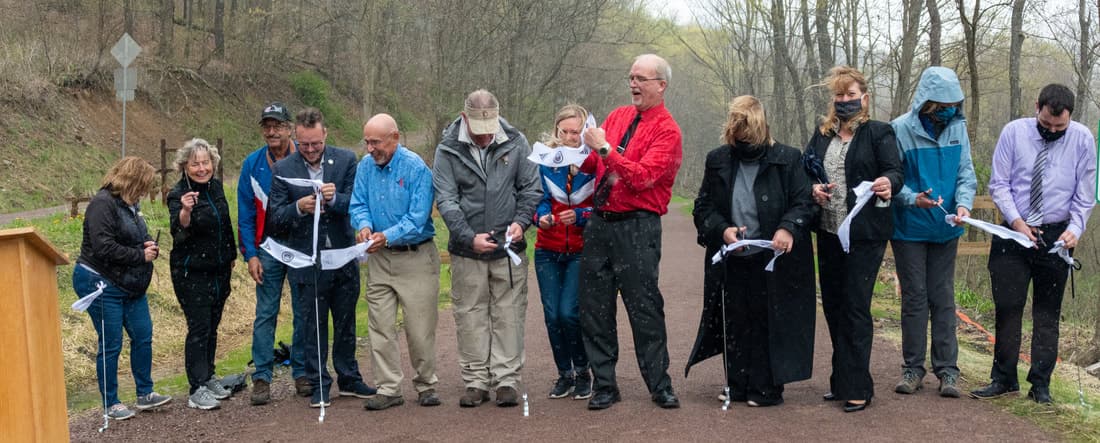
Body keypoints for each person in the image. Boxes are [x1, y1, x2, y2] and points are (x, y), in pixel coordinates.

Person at [686, 95, 816, 407]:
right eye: (738, 134)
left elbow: (804, 202)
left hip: (772, 258)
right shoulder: (718, 159)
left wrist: (787, 227)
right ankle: (737, 383)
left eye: (749, 134)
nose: (743, 140)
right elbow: (703, 207)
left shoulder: (788, 158)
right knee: (734, 319)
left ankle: (766, 386)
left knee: (768, 319)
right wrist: (723, 230)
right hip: (733, 256)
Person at [971, 84, 1097, 404]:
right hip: (1013, 233)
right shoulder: (1014, 133)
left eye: (1059, 127)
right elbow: (999, 184)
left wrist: (1076, 229)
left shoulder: (1083, 140)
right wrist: (1017, 222)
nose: (1052, 131)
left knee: (1047, 314)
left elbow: (1085, 195)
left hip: (1056, 237)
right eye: (1046, 124)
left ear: (1069, 118)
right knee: (1008, 307)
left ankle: (1041, 384)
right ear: (1036, 107)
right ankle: (1003, 378)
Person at [579, 53, 683, 410]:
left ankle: (659, 384)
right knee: (595, 307)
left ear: (661, 85)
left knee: (644, 307)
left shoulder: (668, 130)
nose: (633, 84)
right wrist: (574, 156)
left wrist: (604, 148)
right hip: (600, 224)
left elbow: (642, 177)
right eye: (631, 78)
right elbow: (595, 163)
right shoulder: (618, 116)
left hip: (637, 226)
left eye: (641, 79)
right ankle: (604, 385)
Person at [432, 89, 541, 408]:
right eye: (478, 131)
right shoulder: (447, 149)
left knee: (510, 314)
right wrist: (468, 237)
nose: (484, 137)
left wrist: (521, 221)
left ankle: (507, 379)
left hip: (509, 247)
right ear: (464, 118)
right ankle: (476, 380)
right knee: (470, 314)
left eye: (489, 130)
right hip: (467, 250)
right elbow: (446, 199)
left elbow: (530, 188)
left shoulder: (516, 141)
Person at [804, 65, 902, 412]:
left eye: (851, 94)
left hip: (865, 235)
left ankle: (858, 385)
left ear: (864, 98)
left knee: (855, 306)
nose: (845, 100)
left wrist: (888, 183)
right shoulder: (822, 135)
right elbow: (805, 172)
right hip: (828, 232)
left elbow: (895, 171)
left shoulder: (879, 132)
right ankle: (841, 379)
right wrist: (813, 189)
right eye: (839, 95)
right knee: (833, 306)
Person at [268, 108, 376, 408]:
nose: (311, 150)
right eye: (304, 144)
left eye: (316, 143)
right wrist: (298, 208)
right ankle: (318, 384)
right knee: (312, 326)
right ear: (296, 137)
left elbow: (357, 203)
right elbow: (275, 219)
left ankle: (349, 378)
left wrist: (335, 199)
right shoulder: (283, 169)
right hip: (306, 261)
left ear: (325, 134)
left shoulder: (346, 160)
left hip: (343, 256)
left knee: (345, 321)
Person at [889, 67, 976, 398]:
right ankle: (912, 367)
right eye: (942, 106)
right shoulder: (900, 129)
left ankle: (948, 370)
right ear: (926, 103)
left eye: (953, 105)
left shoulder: (958, 129)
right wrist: (913, 198)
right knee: (915, 298)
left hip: (946, 228)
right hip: (909, 228)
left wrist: (964, 205)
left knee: (943, 297)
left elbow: (966, 173)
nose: (948, 111)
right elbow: (891, 180)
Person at [350, 114, 443, 410]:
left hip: (416, 258)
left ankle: (426, 384)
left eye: (376, 142)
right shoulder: (364, 167)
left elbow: (418, 218)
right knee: (379, 325)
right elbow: (358, 203)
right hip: (379, 260)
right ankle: (389, 388)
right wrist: (364, 225)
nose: (370, 148)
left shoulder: (416, 168)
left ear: (395, 138)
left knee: (419, 328)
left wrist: (386, 236)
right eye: (367, 142)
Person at [72, 156, 172, 420]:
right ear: (132, 181)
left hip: (130, 284)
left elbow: (137, 236)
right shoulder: (102, 204)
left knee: (143, 335)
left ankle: (145, 393)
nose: (144, 192)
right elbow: (103, 247)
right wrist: (140, 255)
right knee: (111, 343)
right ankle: (111, 403)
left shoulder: (131, 204)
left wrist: (147, 244)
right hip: (99, 281)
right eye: (143, 186)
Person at [238, 102, 309, 406]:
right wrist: (250, 255)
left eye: (277, 125)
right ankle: (262, 377)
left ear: (289, 128)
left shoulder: (304, 157)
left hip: (300, 245)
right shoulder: (252, 164)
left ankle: (302, 371)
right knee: (265, 312)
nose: (271, 131)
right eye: (267, 126)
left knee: (303, 310)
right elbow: (245, 214)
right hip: (268, 248)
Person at [167, 138, 238, 410]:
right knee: (199, 327)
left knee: (212, 325)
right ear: (184, 166)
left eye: (205, 162)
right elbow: (178, 231)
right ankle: (196, 388)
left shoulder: (216, 187)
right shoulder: (177, 194)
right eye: (195, 164)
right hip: (191, 271)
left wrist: (231, 255)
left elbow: (225, 224)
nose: (201, 168)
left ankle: (208, 376)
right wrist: (186, 209)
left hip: (219, 269)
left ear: (213, 163)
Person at [533, 104, 596, 400]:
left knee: (569, 313)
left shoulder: (594, 162)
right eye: (565, 132)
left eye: (576, 132)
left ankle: (583, 371)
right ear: (557, 130)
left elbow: (605, 204)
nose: (571, 138)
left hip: (580, 251)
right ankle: (564, 374)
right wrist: (541, 217)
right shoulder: (545, 160)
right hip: (547, 249)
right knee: (552, 316)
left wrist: (581, 215)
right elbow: (538, 198)